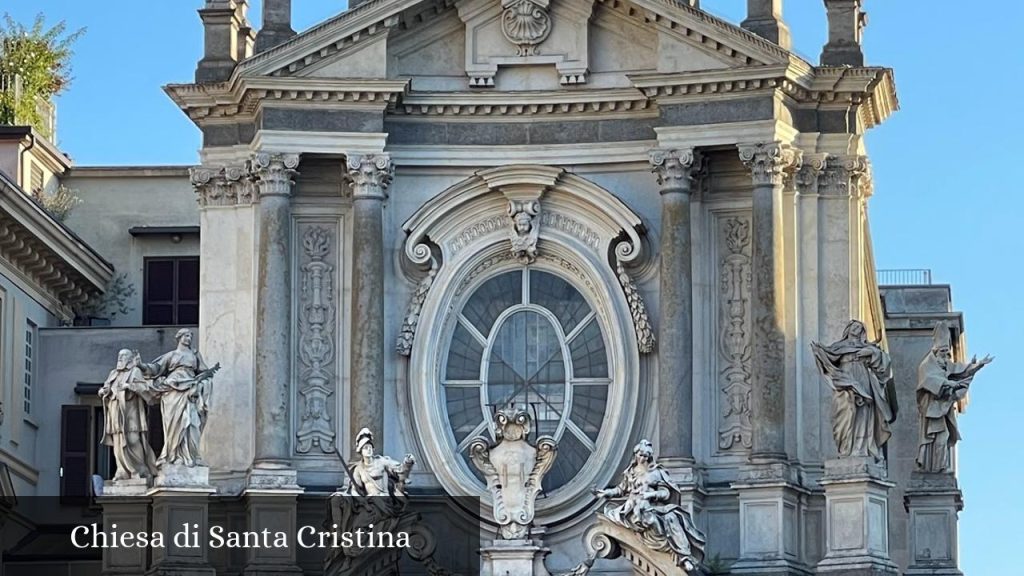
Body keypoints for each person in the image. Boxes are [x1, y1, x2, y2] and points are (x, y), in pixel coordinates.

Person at [595, 439, 706, 572]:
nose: (642, 458)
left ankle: (683, 556)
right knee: (649, 518)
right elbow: (620, 490)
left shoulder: (656, 473)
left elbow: (666, 493)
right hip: (631, 509)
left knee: (672, 518)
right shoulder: (631, 473)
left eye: (645, 456)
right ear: (636, 455)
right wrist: (605, 493)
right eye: (640, 455)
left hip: (652, 506)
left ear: (649, 457)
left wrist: (651, 495)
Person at [810, 320, 897, 461]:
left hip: (863, 380)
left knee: (864, 413)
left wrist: (871, 352)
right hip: (845, 380)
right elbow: (828, 357)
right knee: (845, 413)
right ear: (848, 329)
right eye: (854, 326)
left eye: (860, 327)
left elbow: (884, 363)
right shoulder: (839, 346)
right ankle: (846, 448)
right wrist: (819, 350)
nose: (857, 329)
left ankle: (861, 448)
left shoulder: (867, 347)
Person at [916, 322, 992, 473]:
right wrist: (950, 384)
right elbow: (929, 381)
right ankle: (934, 467)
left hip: (943, 409)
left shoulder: (945, 364)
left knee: (943, 436)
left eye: (947, 352)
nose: (946, 356)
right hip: (932, 410)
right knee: (939, 436)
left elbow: (961, 371)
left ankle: (939, 467)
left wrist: (978, 366)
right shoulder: (927, 365)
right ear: (936, 352)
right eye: (943, 352)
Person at [138, 328, 219, 467]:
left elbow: (205, 372)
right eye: (186, 336)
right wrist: (141, 365)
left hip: (190, 390)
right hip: (172, 390)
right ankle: (173, 454)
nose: (189, 338)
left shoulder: (195, 354)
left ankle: (190, 455)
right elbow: (156, 368)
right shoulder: (171, 355)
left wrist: (202, 382)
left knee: (191, 423)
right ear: (179, 337)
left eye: (190, 336)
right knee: (173, 424)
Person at [99, 349, 157, 480]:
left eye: (124, 356)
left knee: (133, 439)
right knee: (118, 442)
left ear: (130, 360)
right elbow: (105, 388)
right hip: (115, 411)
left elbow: (146, 390)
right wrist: (103, 391)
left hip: (131, 412)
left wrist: (129, 386)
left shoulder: (135, 371)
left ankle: (141, 470)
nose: (120, 358)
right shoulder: (113, 373)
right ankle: (122, 471)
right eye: (119, 355)